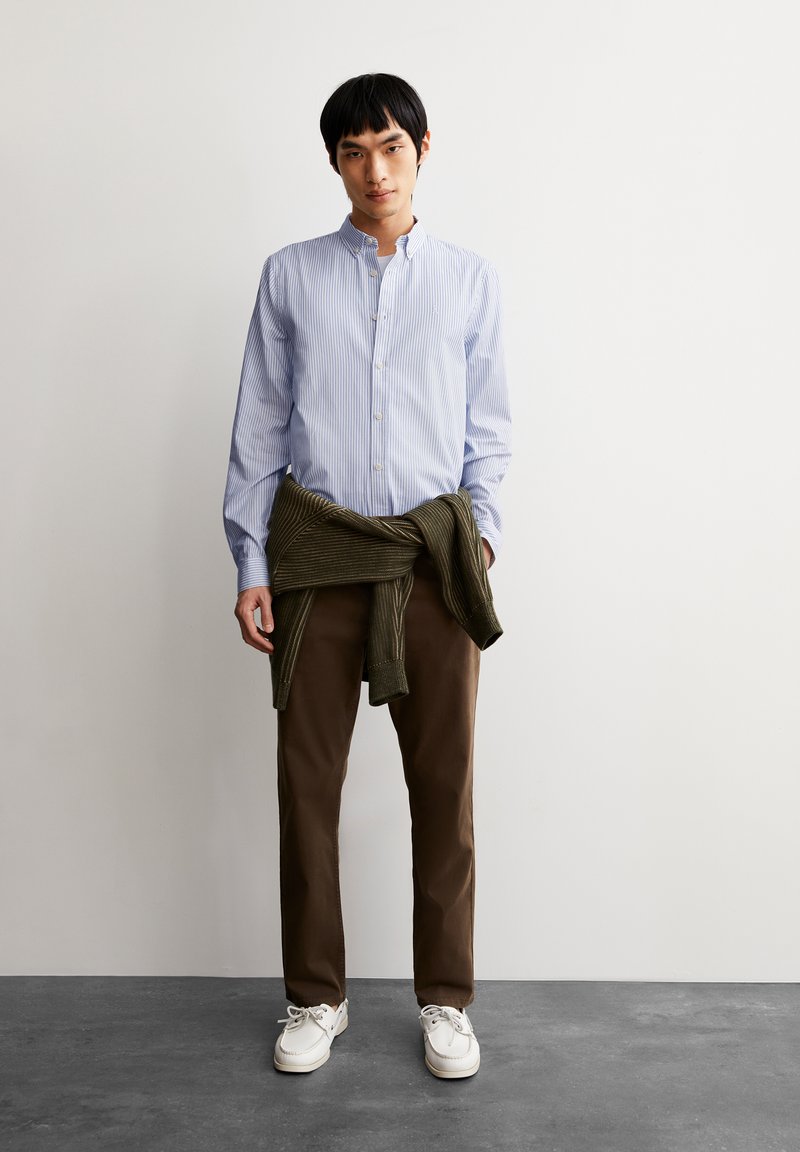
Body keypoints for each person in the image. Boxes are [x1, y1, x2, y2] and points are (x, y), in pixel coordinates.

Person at [222, 72, 512, 1079]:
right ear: (335, 163)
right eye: (353, 152)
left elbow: (488, 431)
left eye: (390, 147)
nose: (374, 170)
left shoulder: (469, 281)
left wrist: (480, 541)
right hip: (314, 559)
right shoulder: (290, 276)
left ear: (422, 150)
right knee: (306, 787)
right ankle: (315, 997)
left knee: (444, 790)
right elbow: (259, 425)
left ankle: (446, 1001)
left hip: (432, 564)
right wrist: (250, 560)